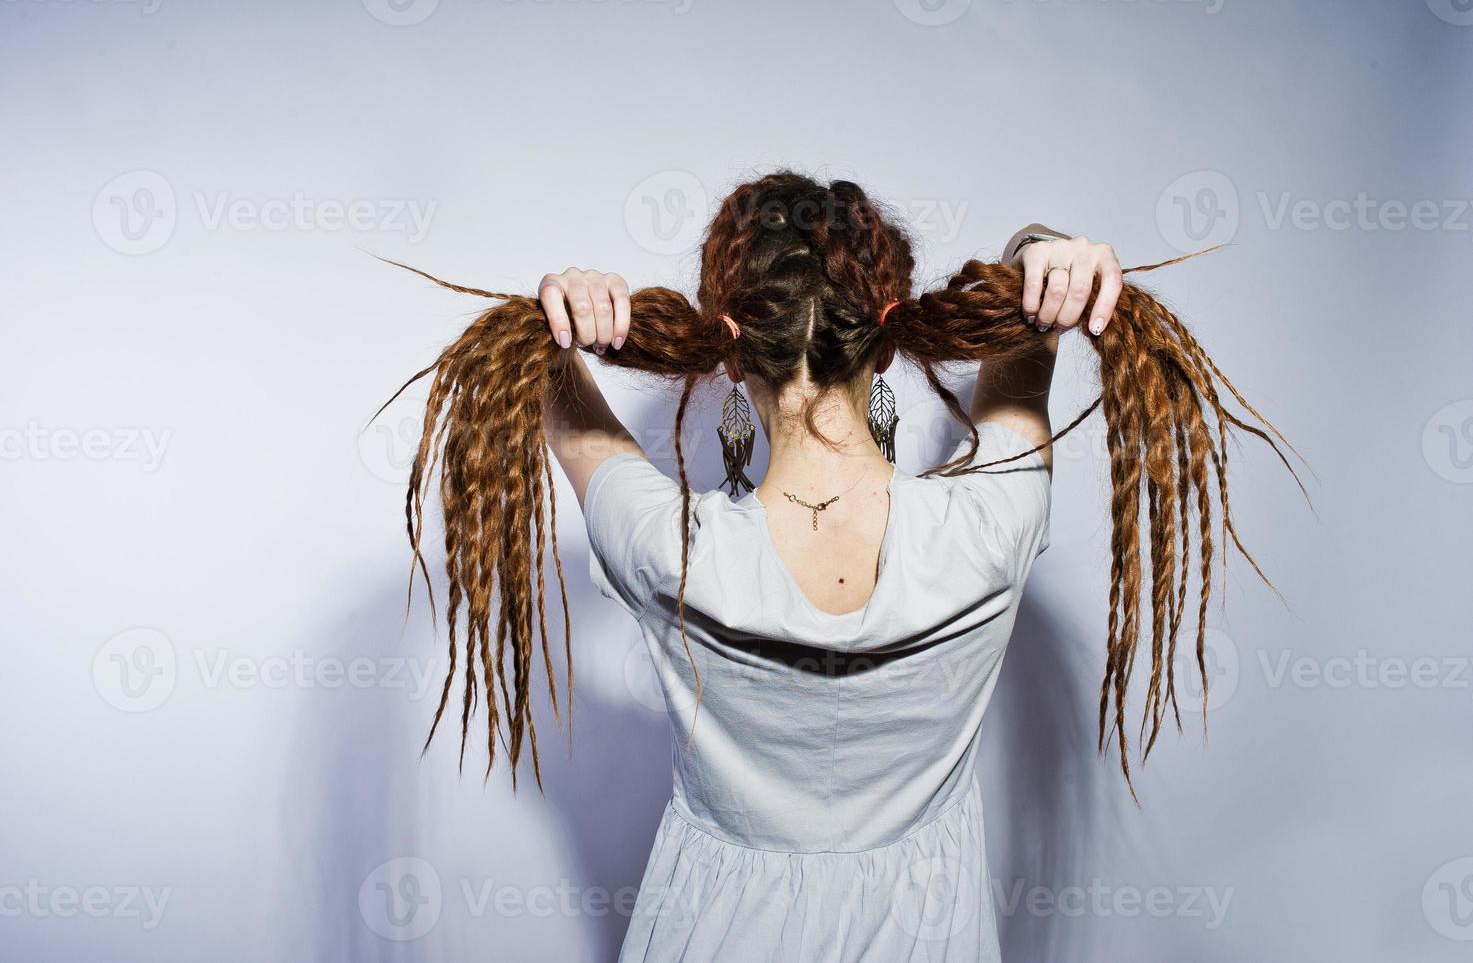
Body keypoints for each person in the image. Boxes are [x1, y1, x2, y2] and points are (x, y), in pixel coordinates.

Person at [381, 171, 1293, 961]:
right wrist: (1045, 250)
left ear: (729, 353)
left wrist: (567, 310)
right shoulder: (995, 520)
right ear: (888, 342)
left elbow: (542, 377)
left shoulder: (662, 547)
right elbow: (1029, 332)